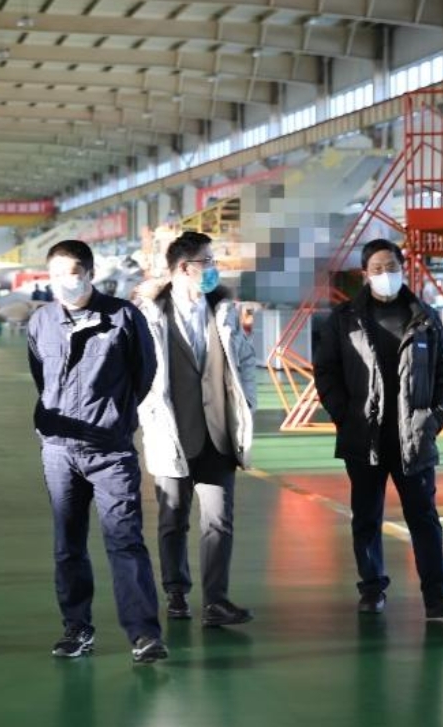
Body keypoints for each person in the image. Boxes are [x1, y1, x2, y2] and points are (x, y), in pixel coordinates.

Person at [28, 240, 167, 663]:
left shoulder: (123, 317)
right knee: (67, 544)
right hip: (59, 451)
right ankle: (77, 628)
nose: (62, 282)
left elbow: (145, 372)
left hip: (110, 451)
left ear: (89, 274)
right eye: (55, 274)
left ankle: (144, 634)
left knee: (125, 541)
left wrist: (114, 415)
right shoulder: (41, 321)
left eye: (71, 273)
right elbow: (41, 375)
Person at [313, 238, 443, 618]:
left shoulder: (424, 317)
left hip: (414, 436)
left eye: (391, 267)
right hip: (365, 437)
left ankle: (437, 595)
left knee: (424, 517)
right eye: (377, 269)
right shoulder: (344, 320)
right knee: (367, 517)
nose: (386, 275)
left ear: (402, 268)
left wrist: (436, 418)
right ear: (365, 274)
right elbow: (326, 371)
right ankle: (372, 589)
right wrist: (344, 415)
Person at [135, 231, 256, 627]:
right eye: (208, 261)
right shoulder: (150, 314)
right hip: (171, 434)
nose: (214, 268)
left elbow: (245, 359)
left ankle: (216, 601)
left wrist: (246, 404)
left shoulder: (222, 308)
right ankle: (176, 593)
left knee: (219, 521)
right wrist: (148, 414)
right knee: (173, 519)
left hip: (218, 435)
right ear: (185, 268)